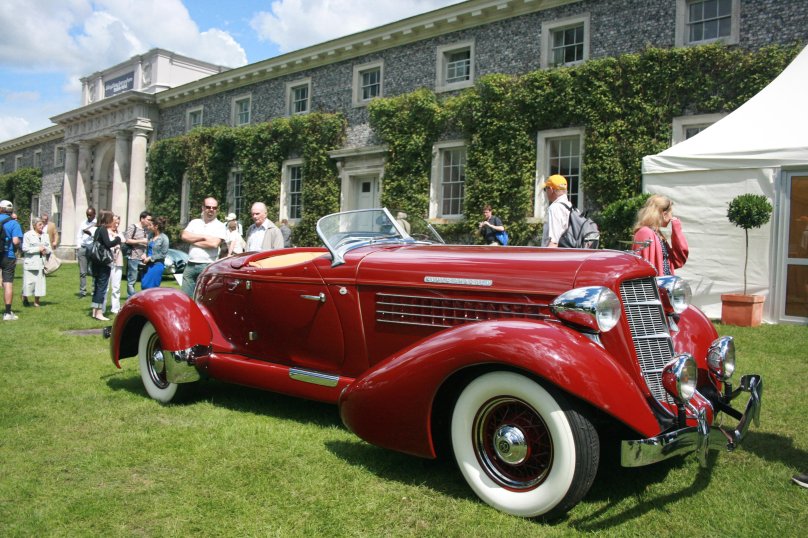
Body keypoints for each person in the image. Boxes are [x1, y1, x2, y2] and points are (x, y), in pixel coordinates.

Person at [180, 197, 227, 297]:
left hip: (208, 266)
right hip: (190, 265)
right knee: (185, 298)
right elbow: (184, 236)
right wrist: (204, 237)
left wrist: (193, 241)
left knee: (204, 297)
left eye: (214, 208)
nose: (211, 210)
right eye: (208, 207)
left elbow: (214, 244)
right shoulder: (194, 222)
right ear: (203, 208)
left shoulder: (220, 226)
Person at [632, 194, 689, 276]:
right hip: (655, 283)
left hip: (664, 282)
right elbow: (644, 268)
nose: (671, 217)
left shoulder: (656, 233)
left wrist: (676, 228)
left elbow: (678, 260)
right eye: (671, 213)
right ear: (664, 214)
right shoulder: (645, 233)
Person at [89, 210, 121, 321]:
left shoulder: (98, 229)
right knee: (101, 287)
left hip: (96, 262)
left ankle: (94, 311)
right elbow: (108, 244)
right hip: (103, 262)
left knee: (97, 286)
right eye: (112, 219)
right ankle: (99, 313)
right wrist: (118, 239)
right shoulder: (103, 229)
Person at [1, 200, 24, 320]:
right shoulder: (14, 223)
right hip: (8, 255)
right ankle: (8, 312)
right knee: (8, 283)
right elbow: (15, 241)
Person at [21, 218, 51, 308]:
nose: (42, 226)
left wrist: (46, 250)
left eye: (42, 224)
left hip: (41, 263)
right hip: (30, 262)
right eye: (39, 225)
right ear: (34, 225)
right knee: (28, 283)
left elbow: (49, 248)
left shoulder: (45, 235)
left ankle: (36, 301)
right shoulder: (27, 235)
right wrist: (38, 249)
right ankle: (24, 296)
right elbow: (25, 248)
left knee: (39, 284)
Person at [124, 211, 152, 298]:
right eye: (148, 219)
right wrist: (141, 241)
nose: (150, 221)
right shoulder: (133, 227)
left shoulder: (147, 230)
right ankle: (131, 298)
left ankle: (143, 297)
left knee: (144, 279)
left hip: (144, 258)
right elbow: (127, 240)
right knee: (132, 279)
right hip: (134, 256)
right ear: (142, 219)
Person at [540, 174, 571, 247]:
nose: (545, 192)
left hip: (557, 253)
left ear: (551, 189)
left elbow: (554, 242)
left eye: (545, 189)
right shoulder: (571, 207)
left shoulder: (555, 208)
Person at [141, 216, 169, 290]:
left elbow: (163, 254)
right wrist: (144, 254)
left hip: (156, 265)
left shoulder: (164, 238)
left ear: (156, 226)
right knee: (144, 286)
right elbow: (147, 248)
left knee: (151, 288)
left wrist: (150, 258)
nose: (149, 227)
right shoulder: (150, 235)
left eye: (151, 225)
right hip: (147, 265)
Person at [104, 215, 124, 314]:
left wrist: (116, 234)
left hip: (118, 261)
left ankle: (115, 308)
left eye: (118, 223)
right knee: (106, 286)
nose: (116, 225)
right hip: (108, 261)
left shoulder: (119, 233)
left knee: (116, 286)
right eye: (115, 222)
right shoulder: (106, 232)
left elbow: (123, 240)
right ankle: (102, 308)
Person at [76, 207, 97, 297]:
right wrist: (79, 246)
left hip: (92, 246)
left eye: (90, 215)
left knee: (93, 270)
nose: (88, 216)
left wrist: (90, 234)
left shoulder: (97, 224)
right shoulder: (83, 223)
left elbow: (98, 237)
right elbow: (79, 235)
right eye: (87, 215)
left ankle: (94, 290)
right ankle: (82, 291)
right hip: (83, 247)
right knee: (82, 272)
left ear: (94, 214)